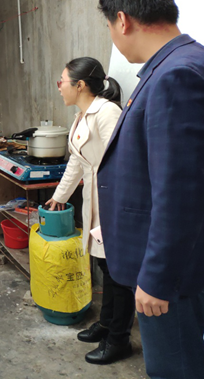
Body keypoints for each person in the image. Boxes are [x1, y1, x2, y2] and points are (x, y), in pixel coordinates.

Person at [96, 0, 204, 379]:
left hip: (175, 270)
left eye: (109, 26)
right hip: (180, 260)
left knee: (175, 369)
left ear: (123, 20)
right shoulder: (184, 63)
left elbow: (179, 190)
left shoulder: (176, 76)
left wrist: (157, 277)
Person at [45, 57, 134, 365]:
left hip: (112, 200)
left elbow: (124, 162)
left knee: (118, 271)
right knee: (106, 266)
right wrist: (59, 195)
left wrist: (116, 208)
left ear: (80, 85)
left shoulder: (107, 112)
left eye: (62, 82)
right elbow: (77, 161)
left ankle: (119, 339)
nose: (59, 88)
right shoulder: (83, 115)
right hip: (95, 197)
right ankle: (107, 323)